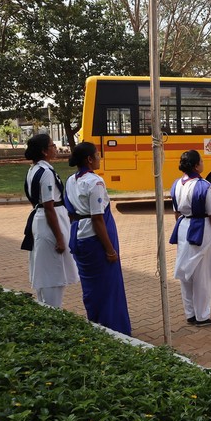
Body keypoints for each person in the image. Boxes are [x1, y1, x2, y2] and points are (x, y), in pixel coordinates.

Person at [64, 142, 132, 335]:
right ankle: (113, 327)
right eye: (97, 155)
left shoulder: (71, 180)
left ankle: (95, 321)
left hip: (79, 235)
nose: (100, 158)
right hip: (96, 240)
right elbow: (97, 218)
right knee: (108, 285)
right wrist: (109, 249)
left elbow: (71, 212)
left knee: (91, 287)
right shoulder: (95, 182)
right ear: (89, 159)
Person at [169, 150, 211, 326]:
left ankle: (190, 314)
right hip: (201, 229)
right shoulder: (205, 186)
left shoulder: (176, 184)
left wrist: (181, 228)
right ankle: (203, 315)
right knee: (203, 275)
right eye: (202, 161)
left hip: (183, 227)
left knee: (186, 273)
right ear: (196, 165)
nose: (203, 163)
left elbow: (176, 212)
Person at [21, 134, 78, 308]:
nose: (55, 148)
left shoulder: (34, 169)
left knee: (46, 267)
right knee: (53, 271)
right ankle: (53, 308)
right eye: (52, 145)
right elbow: (48, 207)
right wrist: (60, 238)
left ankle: (46, 305)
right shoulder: (45, 173)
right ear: (45, 151)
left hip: (42, 221)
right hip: (49, 223)